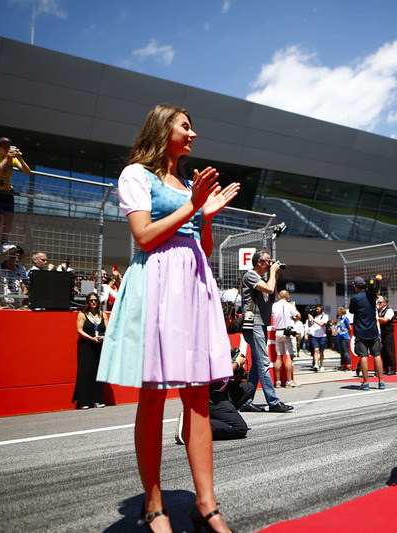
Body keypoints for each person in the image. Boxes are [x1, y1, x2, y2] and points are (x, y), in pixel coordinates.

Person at [96, 104, 239, 533]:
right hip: (157, 284)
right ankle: (154, 505)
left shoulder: (185, 183)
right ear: (163, 129)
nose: (193, 134)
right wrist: (193, 205)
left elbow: (203, 247)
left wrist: (205, 216)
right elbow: (143, 236)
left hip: (194, 284)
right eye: (185, 126)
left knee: (198, 397)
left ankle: (207, 504)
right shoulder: (135, 175)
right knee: (154, 397)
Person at [239, 249, 294, 413]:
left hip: (261, 323)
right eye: (268, 261)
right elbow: (269, 290)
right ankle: (273, 401)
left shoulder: (263, 278)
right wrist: (272, 272)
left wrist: (274, 276)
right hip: (254, 324)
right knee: (263, 363)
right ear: (259, 262)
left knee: (256, 365)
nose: (271, 263)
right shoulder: (250, 276)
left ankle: (246, 401)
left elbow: (272, 295)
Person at [176, 348, 255, 443]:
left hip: (217, 392)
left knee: (247, 388)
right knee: (239, 428)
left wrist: (235, 371)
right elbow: (214, 377)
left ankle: (217, 418)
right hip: (206, 396)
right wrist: (236, 364)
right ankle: (192, 426)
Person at [0, 137, 31, 255]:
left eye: (9, 147)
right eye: (4, 147)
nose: (7, 149)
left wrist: (20, 158)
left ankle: (4, 242)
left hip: (7, 190)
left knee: (9, 216)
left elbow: (27, 172)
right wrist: (7, 159)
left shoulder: (13, 159)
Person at [349, 277, 385, 390]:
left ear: (355, 286)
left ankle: (366, 382)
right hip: (373, 329)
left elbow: (351, 311)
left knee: (363, 356)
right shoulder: (372, 296)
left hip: (361, 330)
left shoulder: (355, 298)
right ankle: (381, 381)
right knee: (377, 355)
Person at [73, 293, 107, 409]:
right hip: (87, 346)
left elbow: (108, 330)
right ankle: (84, 401)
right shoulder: (82, 315)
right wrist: (91, 338)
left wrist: (103, 337)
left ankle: (97, 400)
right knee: (86, 373)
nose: (94, 303)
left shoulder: (103, 315)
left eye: (96, 300)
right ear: (88, 302)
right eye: (91, 300)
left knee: (98, 373)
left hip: (99, 346)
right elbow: (79, 330)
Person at [272, 290, 301, 388]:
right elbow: (299, 317)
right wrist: (294, 308)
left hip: (278, 332)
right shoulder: (289, 306)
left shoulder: (274, 305)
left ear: (279, 297)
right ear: (288, 297)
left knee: (278, 357)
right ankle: (289, 381)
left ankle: (278, 382)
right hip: (287, 332)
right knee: (289, 356)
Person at [377, 295, 397, 375]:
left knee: (390, 351)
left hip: (388, 333)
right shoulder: (378, 312)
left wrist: (378, 319)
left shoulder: (389, 310)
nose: (379, 304)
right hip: (381, 333)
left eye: (380, 302)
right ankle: (385, 368)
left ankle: (393, 368)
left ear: (384, 303)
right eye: (378, 302)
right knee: (382, 352)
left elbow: (386, 320)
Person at [307, 304, 328, 372]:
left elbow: (322, 324)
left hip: (322, 336)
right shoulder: (315, 316)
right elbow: (310, 325)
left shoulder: (325, 316)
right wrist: (309, 319)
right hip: (315, 336)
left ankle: (321, 364)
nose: (317, 310)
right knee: (316, 350)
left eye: (318, 309)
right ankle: (316, 364)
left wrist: (313, 319)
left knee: (321, 351)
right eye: (316, 309)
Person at [334, 306, 352, 371]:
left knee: (346, 351)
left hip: (345, 336)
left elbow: (349, 327)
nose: (338, 312)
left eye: (339, 311)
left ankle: (349, 365)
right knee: (341, 352)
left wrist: (348, 335)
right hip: (339, 336)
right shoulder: (339, 319)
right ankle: (343, 365)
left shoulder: (345, 319)